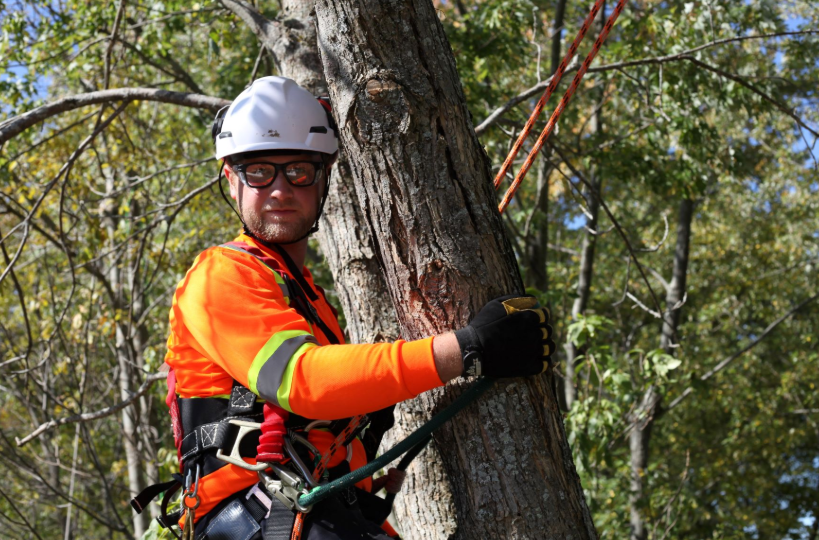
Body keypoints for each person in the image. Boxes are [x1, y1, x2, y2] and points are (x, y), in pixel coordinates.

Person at [147, 76, 555, 540]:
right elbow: (303, 381)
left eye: (298, 171)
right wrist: (467, 348)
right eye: (258, 171)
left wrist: (358, 470)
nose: (280, 189)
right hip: (256, 518)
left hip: (306, 514)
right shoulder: (220, 275)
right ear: (230, 179)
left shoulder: (302, 295)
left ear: (323, 178)